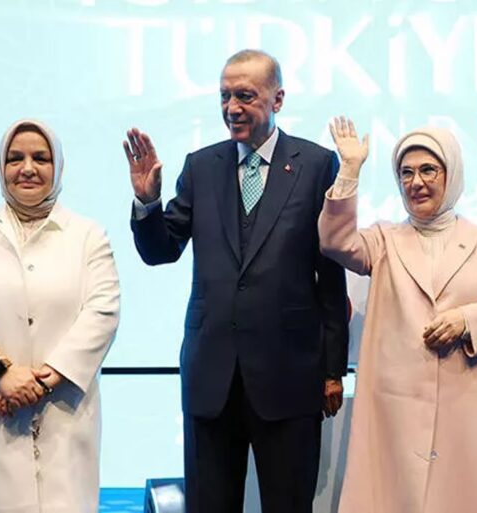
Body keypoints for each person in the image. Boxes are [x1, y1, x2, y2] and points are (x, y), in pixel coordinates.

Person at [123, 49, 349, 513]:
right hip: (211, 378)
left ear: (278, 99)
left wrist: (333, 370)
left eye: (245, 96)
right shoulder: (201, 167)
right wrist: (147, 203)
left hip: (290, 375)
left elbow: (330, 276)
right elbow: (162, 250)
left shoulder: (316, 164)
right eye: (224, 96)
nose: (232, 108)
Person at [318, 117, 477, 513]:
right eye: (406, 173)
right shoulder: (383, 239)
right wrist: (349, 171)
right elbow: (335, 242)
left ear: (451, 174)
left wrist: (467, 321)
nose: (416, 182)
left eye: (428, 170)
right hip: (394, 413)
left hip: (464, 408)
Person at [0, 119, 121, 512]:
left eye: (41, 158)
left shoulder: (88, 235)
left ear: (58, 165)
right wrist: (2, 372)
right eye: (15, 158)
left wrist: (38, 384)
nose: (27, 168)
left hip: (64, 422)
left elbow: (102, 313)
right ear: (1, 166)